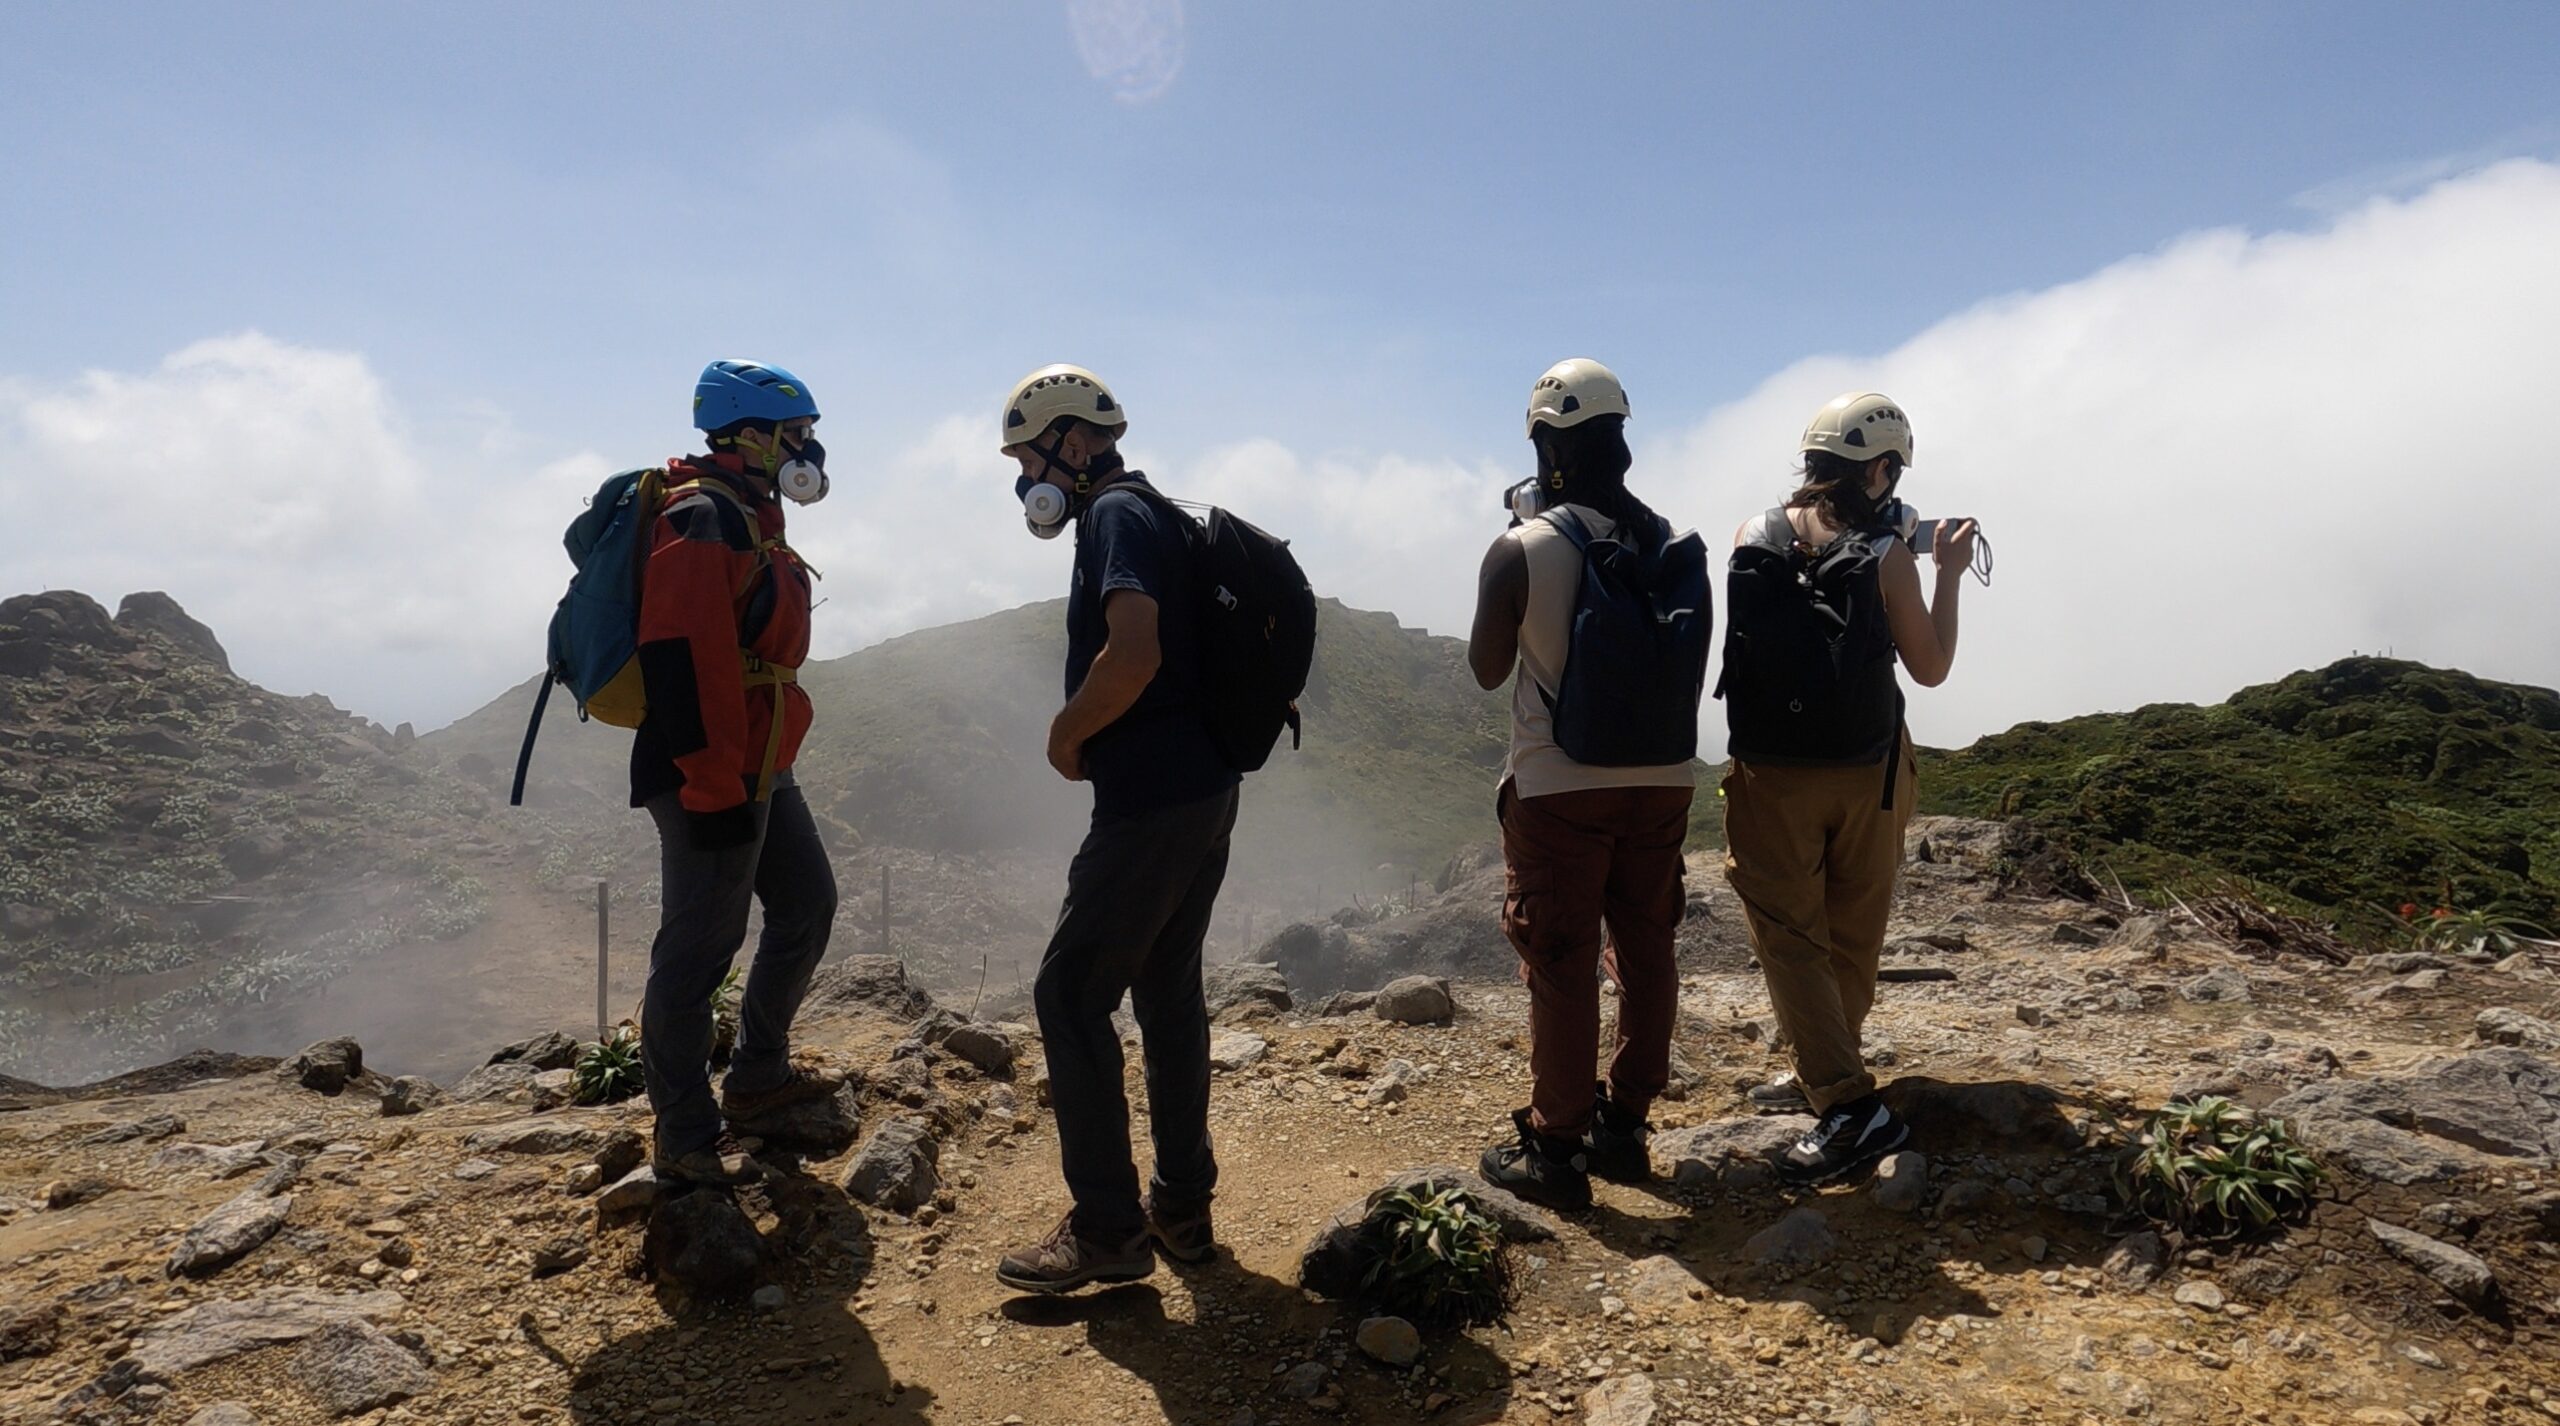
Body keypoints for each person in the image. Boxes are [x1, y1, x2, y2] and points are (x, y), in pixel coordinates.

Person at [993, 364, 1241, 1293]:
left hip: (1151, 802)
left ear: (1073, 440)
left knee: (1068, 996)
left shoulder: (1115, 517)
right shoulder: (1157, 512)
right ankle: (1180, 1207)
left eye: (1026, 453)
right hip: (1204, 788)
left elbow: (1133, 650)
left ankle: (1107, 1228)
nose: (1023, 475)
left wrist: (1068, 734)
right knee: (1167, 993)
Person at [1720, 391, 1977, 1185]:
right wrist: (1949, 575)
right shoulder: (1888, 555)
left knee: (1790, 937)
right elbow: (1929, 667)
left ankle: (1823, 1072)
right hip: (1868, 771)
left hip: (1768, 771)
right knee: (1851, 931)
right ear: (1878, 469)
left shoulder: (1750, 536)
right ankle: (1847, 1102)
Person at [1465, 358, 1702, 1212]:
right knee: (1647, 947)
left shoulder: (1524, 547)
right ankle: (1625, 1127)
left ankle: (1556, 1148)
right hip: (1666, 782)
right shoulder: (1670, 543)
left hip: (1560, 787)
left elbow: (1489, 670)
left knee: (1562, 961)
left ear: (1543, 443)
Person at [636, 359, 842, 1187]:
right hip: (705, 769)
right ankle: (685, 1136)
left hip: (759, 761)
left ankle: (757, 1076)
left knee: (806, 905)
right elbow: (683, 663)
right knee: (698, 950)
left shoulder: (752, 513)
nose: (812, 452)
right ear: (752, 436)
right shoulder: (701, 515)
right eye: (799, 437)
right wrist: (712, 788)